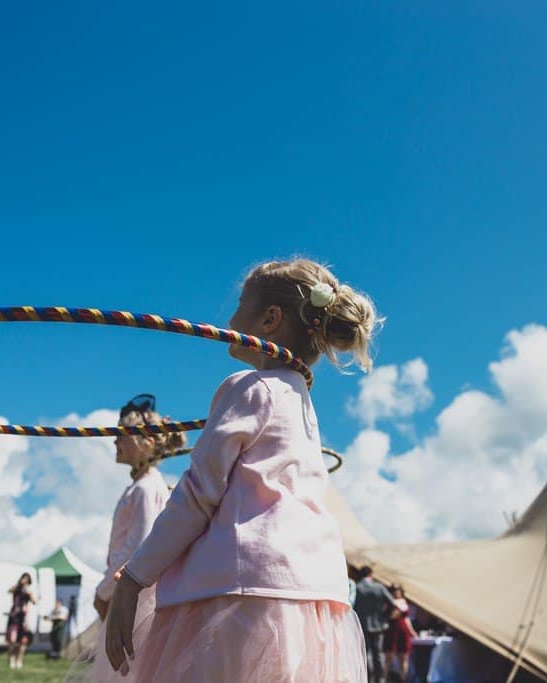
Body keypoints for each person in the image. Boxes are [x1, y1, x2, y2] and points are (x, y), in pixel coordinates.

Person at [103, 259, 377, 681]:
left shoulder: (249, 387)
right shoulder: (302, 404)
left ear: (269, 319)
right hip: (310, 595)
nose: (229, 318)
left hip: (238, 592)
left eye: (240, 304)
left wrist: (135, 578)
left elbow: (197, 494)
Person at [69, 394, 183, 682]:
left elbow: (138, 544)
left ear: (144, 441)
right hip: (129, 591)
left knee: (126, 671)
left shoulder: (146, 488)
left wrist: (105, 590)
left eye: (122, 435)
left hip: (134, 597)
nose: (115, 441)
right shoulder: (142, 486)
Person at [354, 565, 396, 682]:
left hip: (362, 625)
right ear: (371, 575)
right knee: (378, 654)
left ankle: (369, 679)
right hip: (378, 625)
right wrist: (385, 617)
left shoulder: (357, 588)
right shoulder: (379, 587)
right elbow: (392, 603)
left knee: (367, 654)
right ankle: (381, 679)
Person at [383, 584, 419, 682]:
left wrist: (412, 631)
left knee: (403, 658)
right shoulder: (388, 602)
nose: (396, 592)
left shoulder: (403, 602)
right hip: (391, 631)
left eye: (398, 590)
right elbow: (390, 616)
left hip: (402, 631)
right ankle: (383, 679)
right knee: (388, 658)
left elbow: (406, 618)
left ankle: (403, 679)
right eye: (394, 590)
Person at [6, 572, 37, 670]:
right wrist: (19, 586)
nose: (25, 581)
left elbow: (34, 601)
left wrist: (28, 592)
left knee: (23, 641)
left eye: (27, 580)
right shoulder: (16, 588)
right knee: (12, 640)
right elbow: (9, 590)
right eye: (24, 578)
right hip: (14, 617)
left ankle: (19, 660)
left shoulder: (28, 592)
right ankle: (11, 659)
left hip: (23, 619)